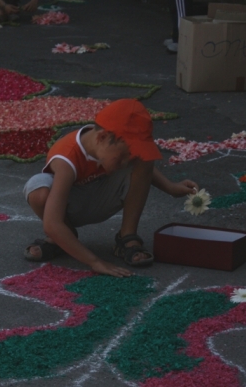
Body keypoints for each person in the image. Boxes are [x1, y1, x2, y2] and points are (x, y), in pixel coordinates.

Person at [23, 99, 198, 278]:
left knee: (144, 159)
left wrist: (170, 187)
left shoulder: (107, 143)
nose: (125, 164)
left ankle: (127, 237)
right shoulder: (66, 157)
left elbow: (139, 165)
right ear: (102, 138)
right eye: (121, 157)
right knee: (37, 189)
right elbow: (51, 224)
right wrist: (95, 262)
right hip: (69, 208)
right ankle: (61, 239)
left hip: (103, 197)